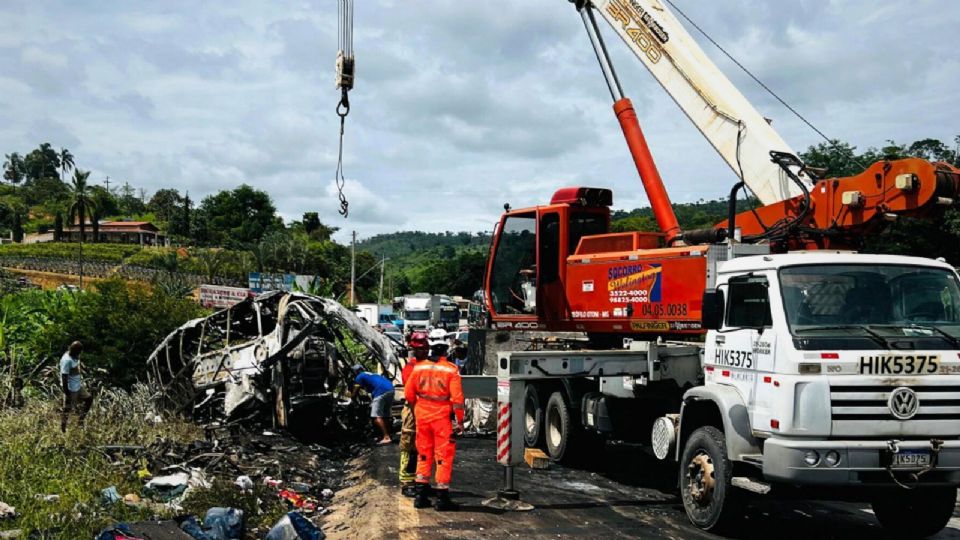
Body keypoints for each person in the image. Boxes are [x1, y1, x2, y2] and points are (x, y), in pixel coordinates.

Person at [404, 341, 464, 511]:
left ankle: (420, 496)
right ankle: (442, 498)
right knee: (443, 456)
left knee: (423, 454)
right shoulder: (451, 369)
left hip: (422, 417)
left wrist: (419, 408)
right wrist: (459, 421)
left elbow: (409, 394)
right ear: (446, 351)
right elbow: (457, 400)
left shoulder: (418, 368)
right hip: (441, 419)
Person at [399, 331, 429, 497]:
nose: (424, 352)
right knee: (409, 444)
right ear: (414, 350)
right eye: (421, 349)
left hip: (427, 411)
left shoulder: (429, 366)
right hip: (413, 409)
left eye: (426, 349)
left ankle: (421, 480)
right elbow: (412, 394)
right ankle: (407, 482)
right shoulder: (410, 368)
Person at [350, 365, 395, 445]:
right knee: (385, 415)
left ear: (356, 371)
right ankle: (388, 433)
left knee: (376, 416)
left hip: (380, 392)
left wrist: (352, 398)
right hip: (390, 389)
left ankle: (386, 437)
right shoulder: (371, 374)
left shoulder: (359, 377)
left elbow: (355, 391)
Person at [60, 341, 93, 432]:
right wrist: (67, 392)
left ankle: (80, 421)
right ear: (75, 351)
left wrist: (84, 368)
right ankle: (63, 429)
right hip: (71, 388)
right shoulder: (67, 360)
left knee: (89, 399)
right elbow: (64, 376)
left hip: (78, 385)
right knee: (67, 409)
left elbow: (78, 362)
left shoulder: (75, 355)